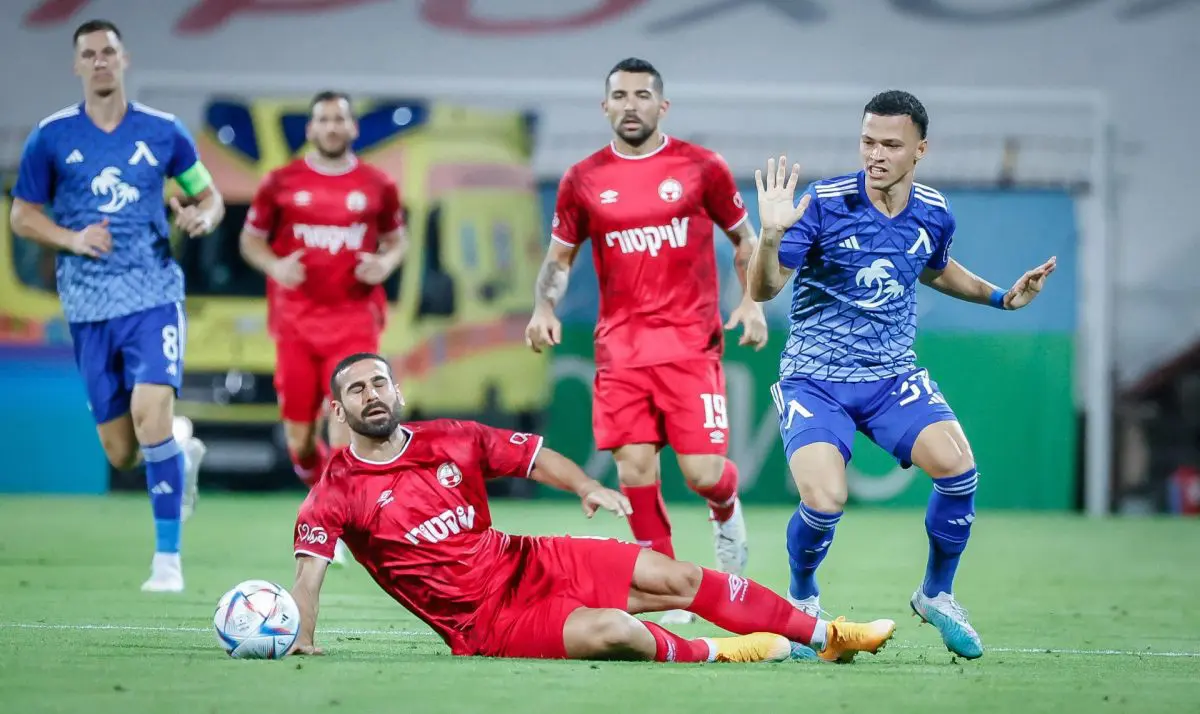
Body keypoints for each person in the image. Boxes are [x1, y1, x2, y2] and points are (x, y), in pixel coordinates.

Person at [288, 352, 896, 664]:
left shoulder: (451, 437)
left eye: (379, 383)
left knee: (674, 576)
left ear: (398, 391)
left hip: (525, 560)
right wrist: (301, 638)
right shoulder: (335, 490)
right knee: (616, 630)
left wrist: (583, 486)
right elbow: (309, 573)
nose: (371, 396)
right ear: (338, 411)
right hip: (486, 624)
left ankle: (827, 635)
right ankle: (725, 650)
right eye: (356, 390)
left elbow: (533, 458)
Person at [748, 90, 1057, 660]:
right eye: (868, 142)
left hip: (891, 378)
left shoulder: (934, 210)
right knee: (825, 500)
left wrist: (1001, 297)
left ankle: (936, 594)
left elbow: (933, 268)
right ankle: (803, 600)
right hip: (815, 379)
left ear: (920, 150)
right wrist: (769, 236)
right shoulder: (823, 203)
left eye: (891, 144)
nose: (876, 154)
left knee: (959, 469)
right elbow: (765, 289)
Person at [524, 58, 768, 625]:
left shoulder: (702, 167)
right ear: (604, 106)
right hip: (621, 352)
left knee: (704, 473)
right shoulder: (583, 178)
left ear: (663, 105)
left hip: (689, 346)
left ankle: (725, 511)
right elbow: (560, 257)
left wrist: (752, 301)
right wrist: (544, 306)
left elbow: (745, 240)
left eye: (641, 95)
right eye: (619, 95)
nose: (630, 105)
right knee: (634, 469)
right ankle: (667, 586)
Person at [9, 19, 223, 593]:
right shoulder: (51, 137)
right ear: (77, 65)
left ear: (125, 59)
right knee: (122, 451)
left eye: (109, 51)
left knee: (150, 412)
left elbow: (207, 194)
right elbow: (22, 215)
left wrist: (202, 217)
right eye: (90, 54)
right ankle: (179, 448)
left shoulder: (164, 132)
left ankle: (167, 563)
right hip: (87, 305)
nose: (100, 60)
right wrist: (72, 239)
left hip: (153, 293)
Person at [240, 91, 406, 561]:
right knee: (299, 439)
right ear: (311, 128)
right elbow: (251, 241)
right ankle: (321, 489)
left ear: (353, 128)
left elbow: (397, 239)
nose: (332, 127)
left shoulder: (377, 185)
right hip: (295, 324)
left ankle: (337, 523)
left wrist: (385, 263)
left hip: (353, 323)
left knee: (345, 428)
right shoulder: (281, 183)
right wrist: (275, 266)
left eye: (339, 119)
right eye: (323, 120)